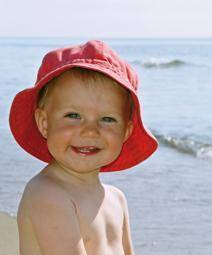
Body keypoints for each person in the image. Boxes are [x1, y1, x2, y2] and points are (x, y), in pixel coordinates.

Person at [9, 40, 158, 255]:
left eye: (107, 119)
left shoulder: (117, 199)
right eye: (73, 115)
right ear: (44, 123)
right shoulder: (47, 194)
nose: (90, 131)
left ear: (125, 132)